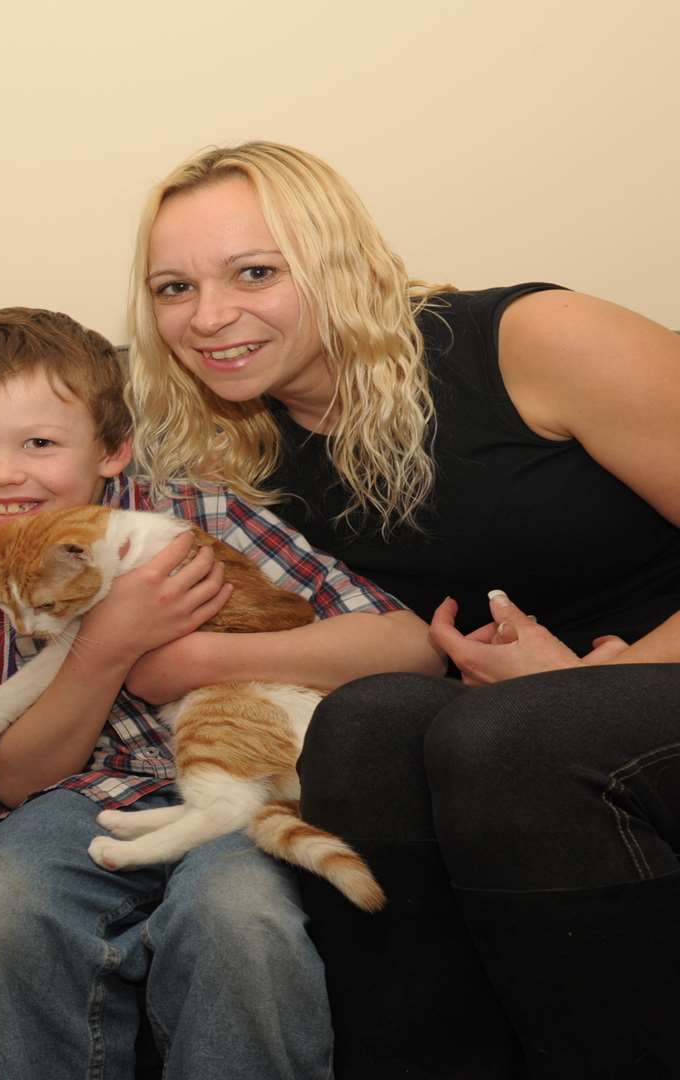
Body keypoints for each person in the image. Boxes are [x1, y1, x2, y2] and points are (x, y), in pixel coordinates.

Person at [126, 140, 680, 1076]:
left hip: (632, 681)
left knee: (501, 738)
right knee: (367, 724)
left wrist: (596, 682)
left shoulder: (531, 341)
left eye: (254, 272)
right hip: (515, 712)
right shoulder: (242, 448)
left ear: (339, 263)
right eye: (173, 288)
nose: (210, 317)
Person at [0, 307, 437, 1079]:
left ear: (113, 450)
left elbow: (410, 647)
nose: (1, 473)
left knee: (240, 917)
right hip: (71, 796)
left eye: (39, 443)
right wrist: (111, 640)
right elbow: (17, 780)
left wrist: (192, 656)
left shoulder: (203, 515)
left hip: (244, 781)